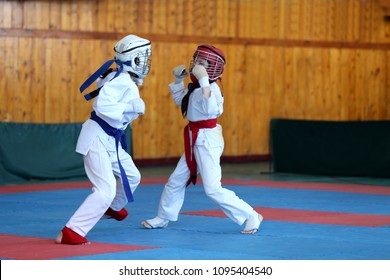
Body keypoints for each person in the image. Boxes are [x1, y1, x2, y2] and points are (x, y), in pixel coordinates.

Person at [141, 45, 262, 234]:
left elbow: (210, 109)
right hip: (194, 137)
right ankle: (163, 217)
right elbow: (180, 102)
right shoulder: (196, 88)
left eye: (203, 63)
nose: (197, 66)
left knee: (213, 188)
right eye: (196, 61)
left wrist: (205, 80)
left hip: (207, 139)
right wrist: (178, 80)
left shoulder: (213, 88)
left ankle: (250, 215)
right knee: (175, 181)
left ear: (212, 68)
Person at [55, 34, 152, 244]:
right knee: (105, 188)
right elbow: (101, 106)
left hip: (110, 140)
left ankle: (111, 207)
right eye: (144, 57)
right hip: (97, 138)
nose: (147, 62)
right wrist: (130, 107)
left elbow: (106, 86)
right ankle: (71, 231)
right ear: (134, 59)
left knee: (133, 176)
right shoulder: (122, 80)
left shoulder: (123, 79)